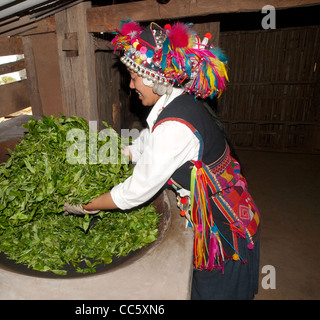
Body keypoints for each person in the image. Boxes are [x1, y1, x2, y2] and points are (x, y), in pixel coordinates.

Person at [63, 19, 260, 300]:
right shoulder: (174, 104)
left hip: (225, 232)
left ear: (155, 79)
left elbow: (134, 192)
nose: (130, 86)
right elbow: (143, 145)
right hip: (223, 212)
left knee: (214, 291)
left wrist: (86, 205)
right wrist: (95, 154)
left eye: (133, 77)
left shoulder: (174, 128)